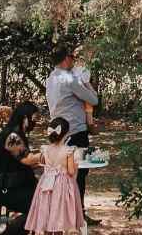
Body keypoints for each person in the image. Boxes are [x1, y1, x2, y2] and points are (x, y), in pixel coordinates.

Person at [43, 44, 98, 226]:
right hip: (75, 131)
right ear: (66, 58)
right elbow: (93, 99)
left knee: (63, 174)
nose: (74, 61)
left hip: (58, 131)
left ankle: (64, 214)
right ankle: (78, 215)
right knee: (79, 174)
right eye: (72, 58)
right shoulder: (69, 78)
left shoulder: (51, 78)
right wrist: (86, 82)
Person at [0, 101, 44, 232]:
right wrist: (51, 153)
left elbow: (24, 163)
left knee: (45, 201)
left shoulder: (17, 134)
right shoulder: (11, 136)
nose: (35, 122)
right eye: (34, 119)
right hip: (2, 188)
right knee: (40, 206)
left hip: (15, 186)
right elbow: (27, 159)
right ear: (24, 118)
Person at [24, 118, 83, 235]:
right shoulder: (68, 151)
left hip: (46, 184)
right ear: (66, 133)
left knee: (47, 211)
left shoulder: (45, 149)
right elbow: (71, 171)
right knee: (59, 213)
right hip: (62, 186)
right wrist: (76, 165)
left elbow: (45, 164)